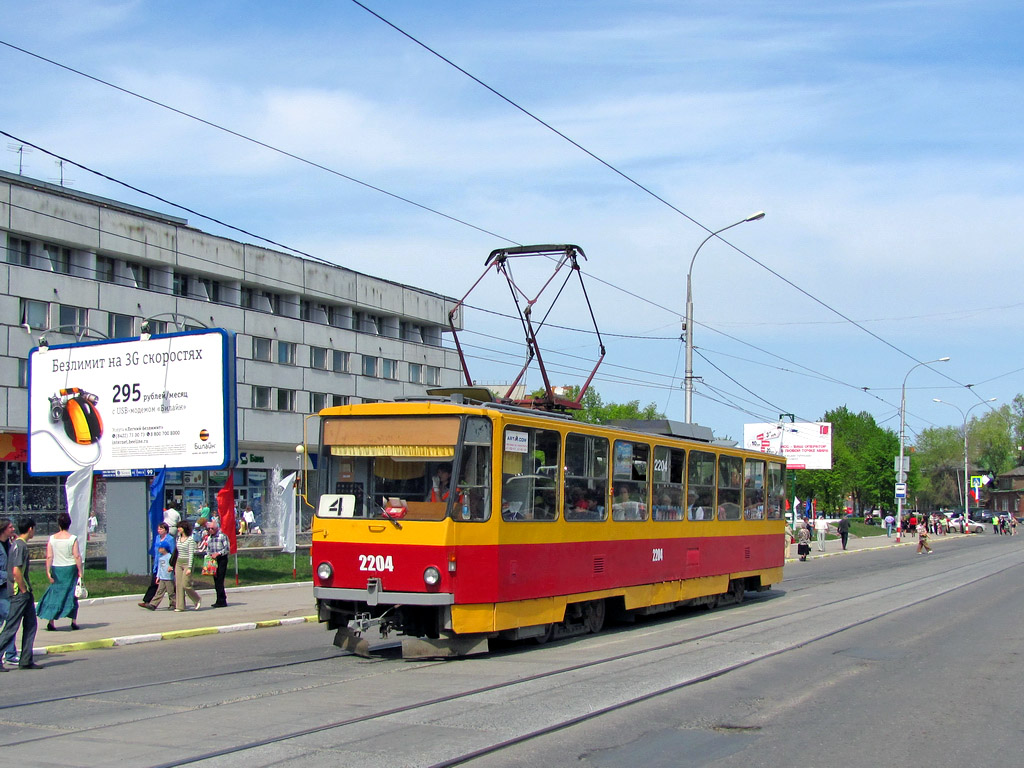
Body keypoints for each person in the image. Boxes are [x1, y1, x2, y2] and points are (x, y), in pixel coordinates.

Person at [0, 518, 41, 669]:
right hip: (19, 593)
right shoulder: (19, 546)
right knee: (11, 626)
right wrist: (23, 590)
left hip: (26, 592)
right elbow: (16, 571)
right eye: (34, 529)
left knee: (31, 625)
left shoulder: (18, 544)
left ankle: (26, 660)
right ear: (30, 529)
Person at [37, 511, 84, 631]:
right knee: (72, 594)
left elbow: (49, 556)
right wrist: (80, 571)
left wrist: (48, 571)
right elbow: (77, 556)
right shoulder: (72, 538)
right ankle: (73, 621)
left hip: (57, 569)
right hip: (70, 568)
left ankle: (51, 621)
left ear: (58, 524)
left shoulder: (52, 538)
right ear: (69, 524)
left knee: (55, 593)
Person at [139, 522, 176, 609]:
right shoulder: (157, 538)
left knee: (170, 587)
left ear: (166, 530)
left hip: (167, 564)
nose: (159, 530)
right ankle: (148, 601)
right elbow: (156, 551)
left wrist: (172, 565)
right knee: (154, 582)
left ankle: (174, 603)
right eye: (158, 529)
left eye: (161, 529)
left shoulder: (170, 539)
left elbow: (173, 552)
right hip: (158, 563)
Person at [0, 519, 20, 665]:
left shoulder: (9, 544)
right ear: (3, 529)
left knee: (7, 620)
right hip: (1, 587)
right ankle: (10, 654)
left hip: (5, 587)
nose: (13, 528)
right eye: (10, 527)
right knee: (11, 619)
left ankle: (9, 653)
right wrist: (8, 576)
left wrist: (15, 542)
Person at [173, 521, 201, 612]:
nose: (178, 529)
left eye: (180, 527)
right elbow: (177, 552)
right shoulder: (178, 538)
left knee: (185, 584)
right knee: (179, 584)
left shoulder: (190, 540)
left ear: (184, 528)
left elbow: (191, 554)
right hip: (179, 563)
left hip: (187, 563)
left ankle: (196, 599)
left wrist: (189, 567)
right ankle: (180, 606)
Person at [206, 520, 230, 608]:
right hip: (213, 560)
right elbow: (208, 549)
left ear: (217, 528)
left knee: (220, 579)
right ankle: (220, 599)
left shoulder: (222, 536)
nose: (210, 530)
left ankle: (222, 600)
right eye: (209, 529)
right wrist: (208, 556)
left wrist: (218, 553)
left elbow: (227, 548)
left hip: (221, 559)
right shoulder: (209, 538)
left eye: (212, 528)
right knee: (216, 580)